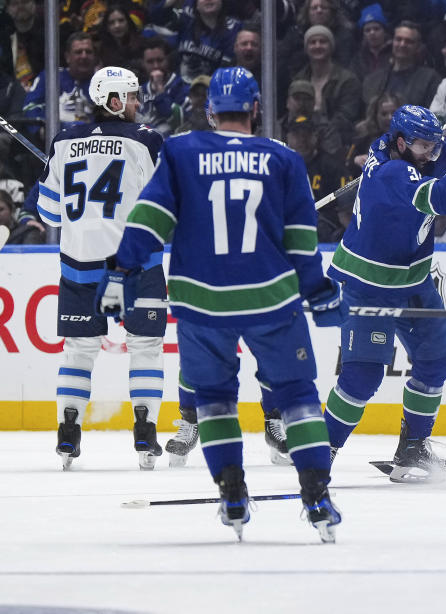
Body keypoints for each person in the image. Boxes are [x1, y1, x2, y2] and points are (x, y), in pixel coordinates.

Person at [95, 67, 344, 541]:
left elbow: (150, 219)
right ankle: (316, 494)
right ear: (255, 109)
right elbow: (301, 240)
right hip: (270, 298)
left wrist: (118, 271)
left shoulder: (182, 152)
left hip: (200, 301)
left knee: (213, 400)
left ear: (210, 110)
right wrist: (318, 290)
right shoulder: (285, 158)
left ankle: (232, 492)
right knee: (296, 396)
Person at [323, 105, 446, 482]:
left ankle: (412, 448)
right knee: (363, 376)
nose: (432, 154)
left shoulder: (411, 151)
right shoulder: (389, 171)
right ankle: (321, 452)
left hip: (413, 279)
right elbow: (439, 199)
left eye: (434, 146)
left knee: (436, 359)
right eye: (424, 147)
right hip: (369, 283)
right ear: (401, 143)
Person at [36, 66, 166, 470]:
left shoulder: (63, 141)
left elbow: (48, 212)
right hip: (135, 264)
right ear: (112, 99)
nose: (136, 103)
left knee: (78, 351)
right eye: (129, 96)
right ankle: (145, 432)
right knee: (145, 346)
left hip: (78, 265)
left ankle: (67, 432)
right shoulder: (146, 141)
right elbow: (163, 203)